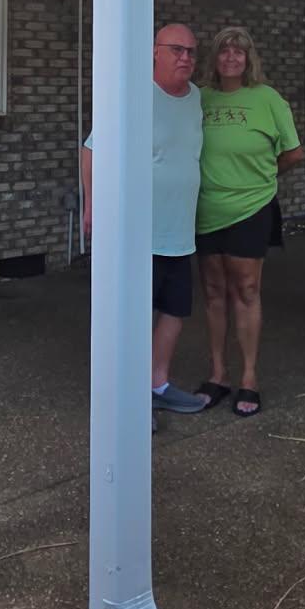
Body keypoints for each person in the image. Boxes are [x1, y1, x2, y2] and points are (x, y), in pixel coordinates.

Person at [81, 23, 206, 426]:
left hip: (180, 230)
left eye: (190, 51)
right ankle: (129, 399)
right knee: (133, 317)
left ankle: (157, 385)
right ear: (154, 52)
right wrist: (91, 206)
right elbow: (92, 150)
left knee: (174, 311)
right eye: (176, 49)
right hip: (139, 233)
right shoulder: (135, 97)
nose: (185, 57)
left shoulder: (196, 98)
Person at [194, 26, 304, 418]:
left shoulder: (267, 99)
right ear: (215, 58)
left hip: (251, 208)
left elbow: (293, 153)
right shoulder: (199, 98)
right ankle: (218, 375)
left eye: (238, 53)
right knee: (212, 290)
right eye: (224, 52)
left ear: (248, 59)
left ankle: (249, 378)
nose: (231, 59)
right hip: (206, 208)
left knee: (246, 289)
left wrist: (261, 176)